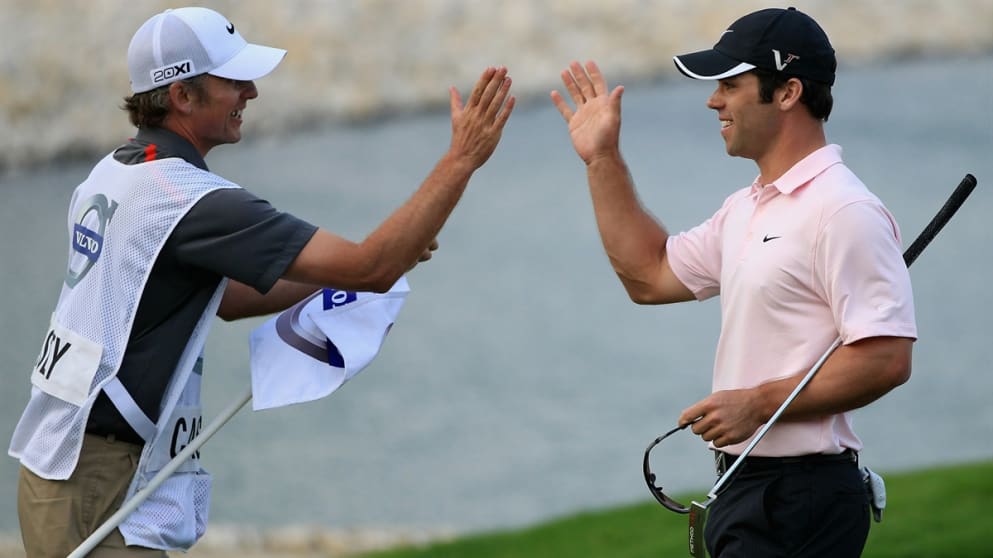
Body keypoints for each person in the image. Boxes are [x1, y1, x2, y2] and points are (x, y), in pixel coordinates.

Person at [10, 6, 514, 557]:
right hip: (99, 481)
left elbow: (226, 298)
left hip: (60, 464)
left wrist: (384, 258)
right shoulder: (192, 201)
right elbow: (372, 266)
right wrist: (461, 159)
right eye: (232, 80)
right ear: (182, 95)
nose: (250, 91)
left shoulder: (115, 172)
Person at [551, 6, 915, 557]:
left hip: (803, 496)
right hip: (746, 488)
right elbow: (647, 276)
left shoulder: (844, 211)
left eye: (730, 84)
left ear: (788, 92)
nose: (713, 100)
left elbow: (886, 358)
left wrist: (758, 404)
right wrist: (602, 158)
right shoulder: (746, 208)